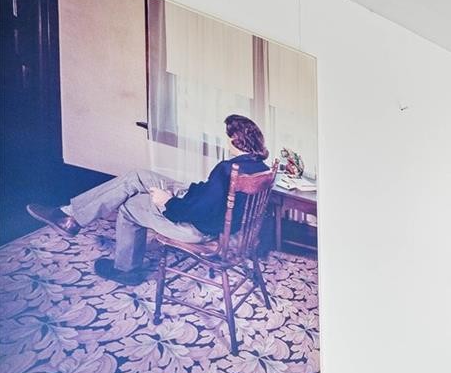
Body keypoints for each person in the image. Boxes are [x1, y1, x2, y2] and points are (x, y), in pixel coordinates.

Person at [27, 114, 271, 285]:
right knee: (136, 177)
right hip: (209, 216)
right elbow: (213, 199)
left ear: (234, 140)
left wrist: (168, 201)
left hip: (198, 229)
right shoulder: (259, 167)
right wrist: (182, 192)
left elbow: (201, 212)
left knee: (130, 206)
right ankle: (71, 215)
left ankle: (125, 269)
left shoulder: (228, 169)